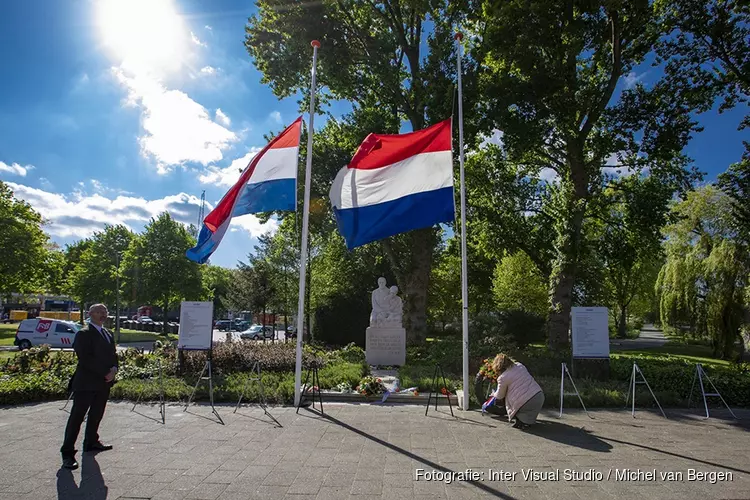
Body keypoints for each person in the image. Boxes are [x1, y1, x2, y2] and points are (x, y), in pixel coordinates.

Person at [60, 304, 118, 470]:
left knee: (97, 414)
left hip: (104, 383)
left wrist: (114, 370)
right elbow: (85, 358)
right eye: (99, 312)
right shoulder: (84, 333)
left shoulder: (107, 333)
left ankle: (91, 442)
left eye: (105, 311)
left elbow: (112, 355)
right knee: (77, 418)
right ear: (90, 314)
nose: (103, 314)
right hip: (86, 383)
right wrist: (104, 372)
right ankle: (67, 453)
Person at [491, 353, 544, 429]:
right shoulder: (520, 365)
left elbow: (500, 395)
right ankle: (525, 422)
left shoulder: (503, 377)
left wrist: (493, 394)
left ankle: (522, 422)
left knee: (514, 402)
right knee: (526, 409)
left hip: (526, 402)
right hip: (539, 395)